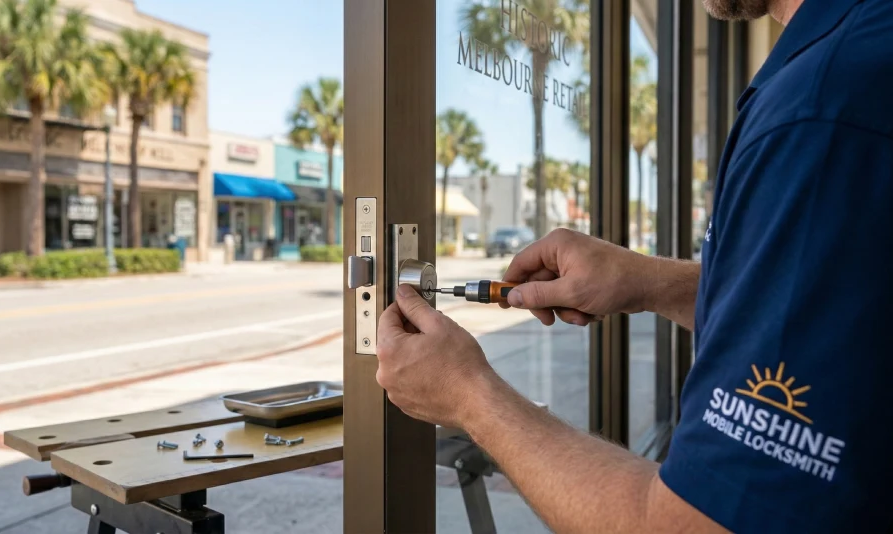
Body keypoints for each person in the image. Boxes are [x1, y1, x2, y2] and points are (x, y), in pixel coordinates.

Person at [376, 0, 893, 531]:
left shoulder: (822, 111)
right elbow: (835, 312)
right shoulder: (854, 57)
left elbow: (690, 525)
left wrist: (470, 397)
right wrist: (651, 282)